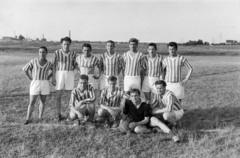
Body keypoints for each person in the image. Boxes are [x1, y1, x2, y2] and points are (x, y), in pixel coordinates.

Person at [22, 46, 52, 125]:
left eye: (43, 52)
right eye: (40, 52)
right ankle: (28, 118)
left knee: (42, 101)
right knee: (32, 101)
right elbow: (25, 69)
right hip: (35, 83)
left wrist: (49, 76)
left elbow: (53, 70)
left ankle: (40, 117)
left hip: (44, 83)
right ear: (38, 53)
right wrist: (29, 77)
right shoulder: (33, 61)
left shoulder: (49, 63)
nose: (42, 54)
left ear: (46, 53)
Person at [52, 37, 77, 121]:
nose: (66, 46)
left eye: (68, 44)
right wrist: (53, 77)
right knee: (58, 96)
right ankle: (58, 114)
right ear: (61, 44)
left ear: (70, 44)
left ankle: (71, 114)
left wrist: (81, 71)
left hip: (69, 73)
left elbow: (75, 64)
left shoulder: (73, 53)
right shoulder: (57, 52)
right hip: (59, 74)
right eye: (64, 44)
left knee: (69, 96)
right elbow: (54, 65)